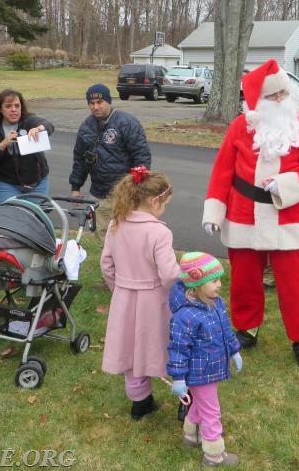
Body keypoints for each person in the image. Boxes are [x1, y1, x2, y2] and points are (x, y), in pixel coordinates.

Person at [201, 59, 299, 371]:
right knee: (244, 281)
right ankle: (246, 329)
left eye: (284, 94)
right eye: (273, 97)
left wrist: (285, 184)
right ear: (258, 100)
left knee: (297, 285)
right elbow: (223, 171)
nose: (281, 101)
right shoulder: (239, 128)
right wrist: (215, 210)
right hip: (244, 216)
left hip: (290, 219)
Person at [100, 166, 178, 420]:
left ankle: (140, 402)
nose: (164, 209)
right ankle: (187, 400)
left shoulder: (115, 225)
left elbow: (106, 265)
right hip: (153, 301)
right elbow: (168, 274)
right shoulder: (159, 232)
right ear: (155, 201)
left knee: (131, 350)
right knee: (160, 345)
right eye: (164, 204)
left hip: (124, 299)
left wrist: (120, 289)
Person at [167, 251, 242, 468]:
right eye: (214, 280)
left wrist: (235, 350)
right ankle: (214, 455)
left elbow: (226, 329)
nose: (219, 285)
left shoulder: (215, 303)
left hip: (213, 368)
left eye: (219, 279)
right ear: (197, 284)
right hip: (198, 372)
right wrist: (179, 378)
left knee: (201, 404)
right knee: (212, 411)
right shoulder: (185, 316)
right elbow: (178, 349)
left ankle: (190, 435)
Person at [69, 83, 151, 242]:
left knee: (129, 237)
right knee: (104, 236)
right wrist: (75, 187)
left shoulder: (127, 123)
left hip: (125, 193)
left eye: (100, 102)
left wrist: (136, 185)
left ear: (108, 101)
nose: (96, 107)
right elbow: (80, 158)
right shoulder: (86, 127)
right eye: (91, 103)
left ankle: (129, 266)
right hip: (100, 194)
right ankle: (108, 266)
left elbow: (141, 156)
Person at [0, 89, 54, 204]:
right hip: (6, 184)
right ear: (0, 109)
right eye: (8, 106)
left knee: (35, 218)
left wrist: (39, 128)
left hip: (37, 182)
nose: (13, 109)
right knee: (9, 218)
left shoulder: (29, 121)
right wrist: (3, 144)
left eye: (17, 106)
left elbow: (48, 125)